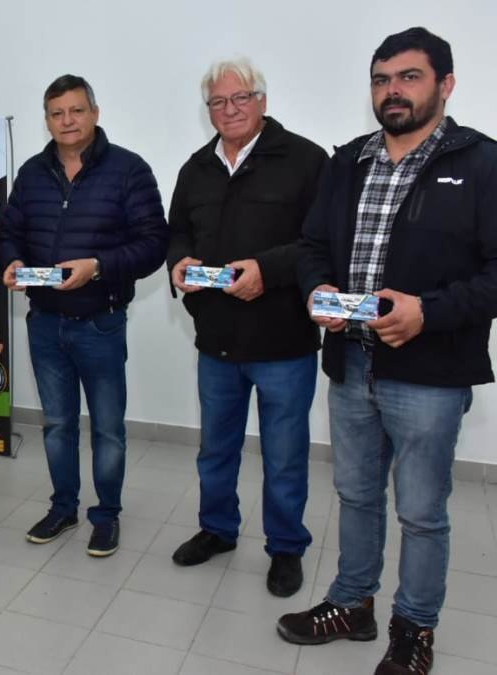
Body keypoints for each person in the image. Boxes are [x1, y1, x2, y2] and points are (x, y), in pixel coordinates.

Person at [276, 27, 497, 675]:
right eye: (381, 79)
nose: (392, 90)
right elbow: (312, 246)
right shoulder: (348, 160)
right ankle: (353, 603)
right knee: (355, 493)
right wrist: (317, 289)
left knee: (422, 512)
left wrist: (428, 312)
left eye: (408, 77)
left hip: (430, 371)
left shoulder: (482, 163)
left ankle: (414, 628)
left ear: (445, 84)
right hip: (350, 361)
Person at [166, 58, 326, 597]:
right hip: (216, 340)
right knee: (215, 449)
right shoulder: (195, 168)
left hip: (283, 342)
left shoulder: (306, 160)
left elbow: (322, 243)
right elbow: (177, 233)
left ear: (262, 101)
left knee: (284, 456)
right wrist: (179, 262)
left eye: (240, 98)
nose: (229, 109)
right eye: (218, 101)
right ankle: (217, 529)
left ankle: (286, 547)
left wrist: (268, 270)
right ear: (208, 109)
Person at [0, 74, 168, 557]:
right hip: (44, 322)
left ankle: (106, 515)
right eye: (57, 113)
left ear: (95, 113)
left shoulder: (129, 170)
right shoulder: (32, 173)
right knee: (57, 424)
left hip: (100, 322)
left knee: (108, 429)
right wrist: (11, 260)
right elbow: (9, 233)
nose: (67, 121)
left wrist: (98, 267)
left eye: (76, 110)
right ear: (47, 120)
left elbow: (154, 244)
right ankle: (63, 508)